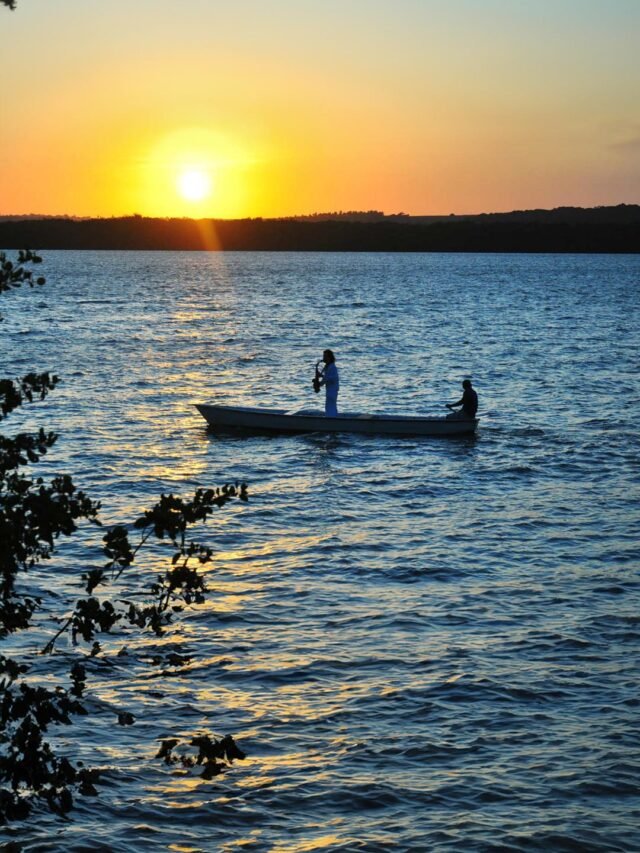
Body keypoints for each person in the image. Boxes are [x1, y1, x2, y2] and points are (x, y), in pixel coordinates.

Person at [316, 349, 339, 416]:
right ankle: (332, 419)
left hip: (332, 390)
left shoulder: (332, 367)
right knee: (330, 406)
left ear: (329, 357)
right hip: (330, 389)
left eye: (325, 356)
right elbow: (327, 378)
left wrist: (319, 383)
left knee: (330, 407)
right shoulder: (329, 367)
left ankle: (331, 420)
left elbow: (329, 378)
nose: (323, 358)